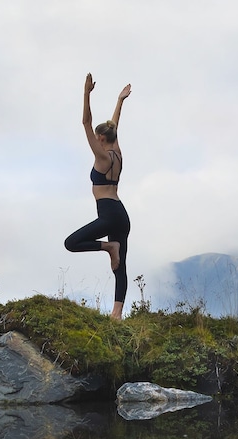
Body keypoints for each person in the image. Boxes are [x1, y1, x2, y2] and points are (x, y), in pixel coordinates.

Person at [64, 73, 132, 321]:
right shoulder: (117, 152)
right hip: (121, 214)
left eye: (97, 137)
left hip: (108, 215)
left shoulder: (102, 157)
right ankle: (117, 313)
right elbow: (114, 124)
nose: (95, 139)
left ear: (101, 138)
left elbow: (86, 122)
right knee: (120, 267)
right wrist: (119, 101)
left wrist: (86, 94)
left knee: (71, 243)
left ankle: (108, 247)